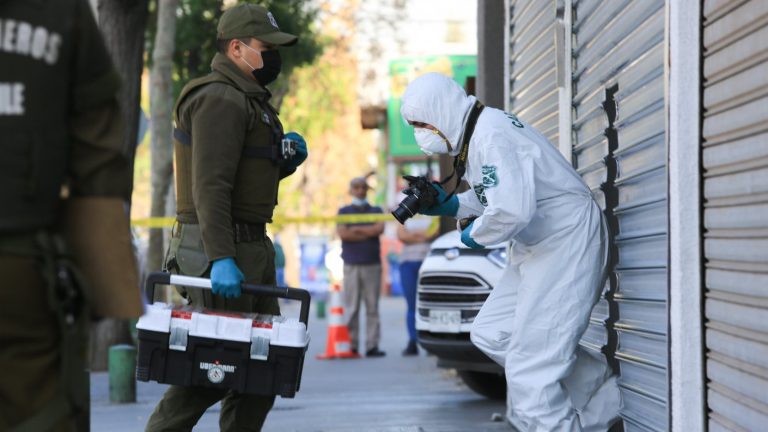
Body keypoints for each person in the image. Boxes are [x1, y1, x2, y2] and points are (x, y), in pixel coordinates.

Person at [400, 73, 621, 431]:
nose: (420, 134)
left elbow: (512, 211)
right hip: (540, 242)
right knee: (492, 332)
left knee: (530, 370)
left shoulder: (491, 135)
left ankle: (579, 413)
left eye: (421, 124)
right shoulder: (480, 133)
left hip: (565, 239)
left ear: (439, 112)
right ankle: (602, 397)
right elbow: (500, 192)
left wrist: (476, 234)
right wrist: (453, 205)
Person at [145, 4, 308, 431]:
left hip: (248, 245)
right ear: (236, 48)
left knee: (261, 369)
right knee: (213, 369)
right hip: (221, 246)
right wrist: (221, 256)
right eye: (264, 47)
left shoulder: (246, 100)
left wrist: (283, 160)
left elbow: (242, 176)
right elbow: (210, 188)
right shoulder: (219, 98)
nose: (272, 55)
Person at [0, 1, 142, 430]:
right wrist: (103, 290)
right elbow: (98, 155)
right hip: (24, 268)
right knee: (42, 412)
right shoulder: (58, 11)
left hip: (27, 265)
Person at [336, 176, 386, 357]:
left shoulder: (376, 210)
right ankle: (352, 345)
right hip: (351, 265)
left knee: (372, 307)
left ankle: (372, 345)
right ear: (351, 190)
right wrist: (367, 232)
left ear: (367, 190)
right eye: (356, 187)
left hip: (372, 264)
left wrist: (356, 230)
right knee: (352, 307)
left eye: (363, 187)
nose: (360, 190)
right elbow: (343, 234)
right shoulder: (344, 211)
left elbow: (379, 229)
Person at [396, 212, 436, 356]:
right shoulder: (405, 209)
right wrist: (422, 235)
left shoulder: (433, 211)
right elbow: (401, 235)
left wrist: (412, 235)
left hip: (428, 261)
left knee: (430, 303)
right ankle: (413, 340)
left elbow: (434, 233)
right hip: (408, 262)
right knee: (412, 304)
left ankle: (431, 340)